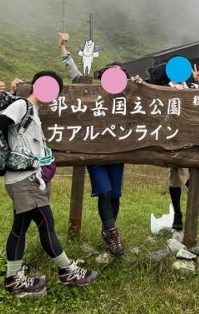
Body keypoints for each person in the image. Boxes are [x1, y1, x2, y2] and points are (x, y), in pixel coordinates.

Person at [0, 71, 98, 296]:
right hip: (24, 180)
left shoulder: (31, 109)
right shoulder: (23, 106)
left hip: (25, 179)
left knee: (20, 227)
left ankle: (13, 279)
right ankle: (67, 271)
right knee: (46, 224)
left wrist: (10, 93)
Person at [58, 33, 124, 256]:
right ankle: (113, 234)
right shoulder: (91, 93)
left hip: (117, 153)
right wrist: (64, 50)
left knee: (115, 195)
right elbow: (75, 76)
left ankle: (108, 230)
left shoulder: (131, 98)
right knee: (104, 192)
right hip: (94, 154)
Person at [145, 61, 199, 231]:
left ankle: (183, 203)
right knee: (177, 170)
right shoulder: (161, 88)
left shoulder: (193, 87)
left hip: (191, 135)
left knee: (178, 172)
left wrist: (197, 83)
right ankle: (180, 208)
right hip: (171, 137)